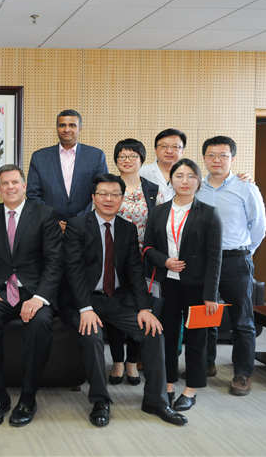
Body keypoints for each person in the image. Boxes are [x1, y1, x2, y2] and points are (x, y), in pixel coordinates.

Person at [64, 174, 187, 427]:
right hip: (84, 300)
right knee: (92, 335)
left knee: (153, 330)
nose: (109, 199)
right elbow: (73, 271)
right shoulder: (77, 226)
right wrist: (85, 308)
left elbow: (134, 271)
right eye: (103, 194)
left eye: (115, 194)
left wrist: (144, 308)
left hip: (118, 300)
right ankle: (100, 401)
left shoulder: (127, 228)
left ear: (122, 199)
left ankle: (156, 400)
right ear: (93, 198)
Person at [0, 164, 62, 428]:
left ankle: (28, 397)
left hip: (35, 291)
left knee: (40, 323)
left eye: (15, 182)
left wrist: (40, 298)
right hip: (1, 290)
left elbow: (55, 261)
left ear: (24, 186)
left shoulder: (44, 214)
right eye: (4, 183)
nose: (10, 187)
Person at [144, 158, 222, 411]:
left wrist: (211, 294)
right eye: (179, 176)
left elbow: (215, 257)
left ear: (199, 181)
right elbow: (147, 247)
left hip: (198, 287)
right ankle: (168, 384)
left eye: (191, 176)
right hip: (168, 284)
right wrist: (164, 261)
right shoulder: (158, 212)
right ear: (171, 180)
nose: (185, 181)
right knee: (166, 336)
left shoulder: (209, 213)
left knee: (197, 338)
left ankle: (191, 390)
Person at [196, 136, 266, 396]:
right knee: (206, 317)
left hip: (236, 260)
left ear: (232, 158)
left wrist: (245, 252)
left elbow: (258, 226)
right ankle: (206, 364)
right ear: (204, 158)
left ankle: (242, 374)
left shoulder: (246, 187)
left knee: (243, 320)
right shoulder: (196, 187)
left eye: (223, 155)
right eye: (211, 155)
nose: (217, 160)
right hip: (204, 262)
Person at [108, 139, 160, 386]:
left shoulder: (152, 189)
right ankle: (118, 361)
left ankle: (132, 361)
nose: (127, 160)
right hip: (114, 259)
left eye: (132, 156)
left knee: (142, 308)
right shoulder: (109, 186)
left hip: (144, 260)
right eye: (122, 156)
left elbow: (160, 223)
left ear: (142, 160)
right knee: (116, 308)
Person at [26, 109, 108, 228]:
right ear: (56, 128)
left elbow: (102, 192)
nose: (66, 129)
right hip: (49, 227)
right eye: (62, 125)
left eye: (72, 125)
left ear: (80, 128)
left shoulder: (96, 156)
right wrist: (52, 220)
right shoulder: (39, 157)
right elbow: (33, 194)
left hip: (86, 226)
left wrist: (79, 220)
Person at [139, 128, 188, 204]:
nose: (169, 151)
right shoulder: (142, 173)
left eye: (175, 147)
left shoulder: (191, 176)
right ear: (155, 149)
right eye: (164, 146)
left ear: (182, 151)